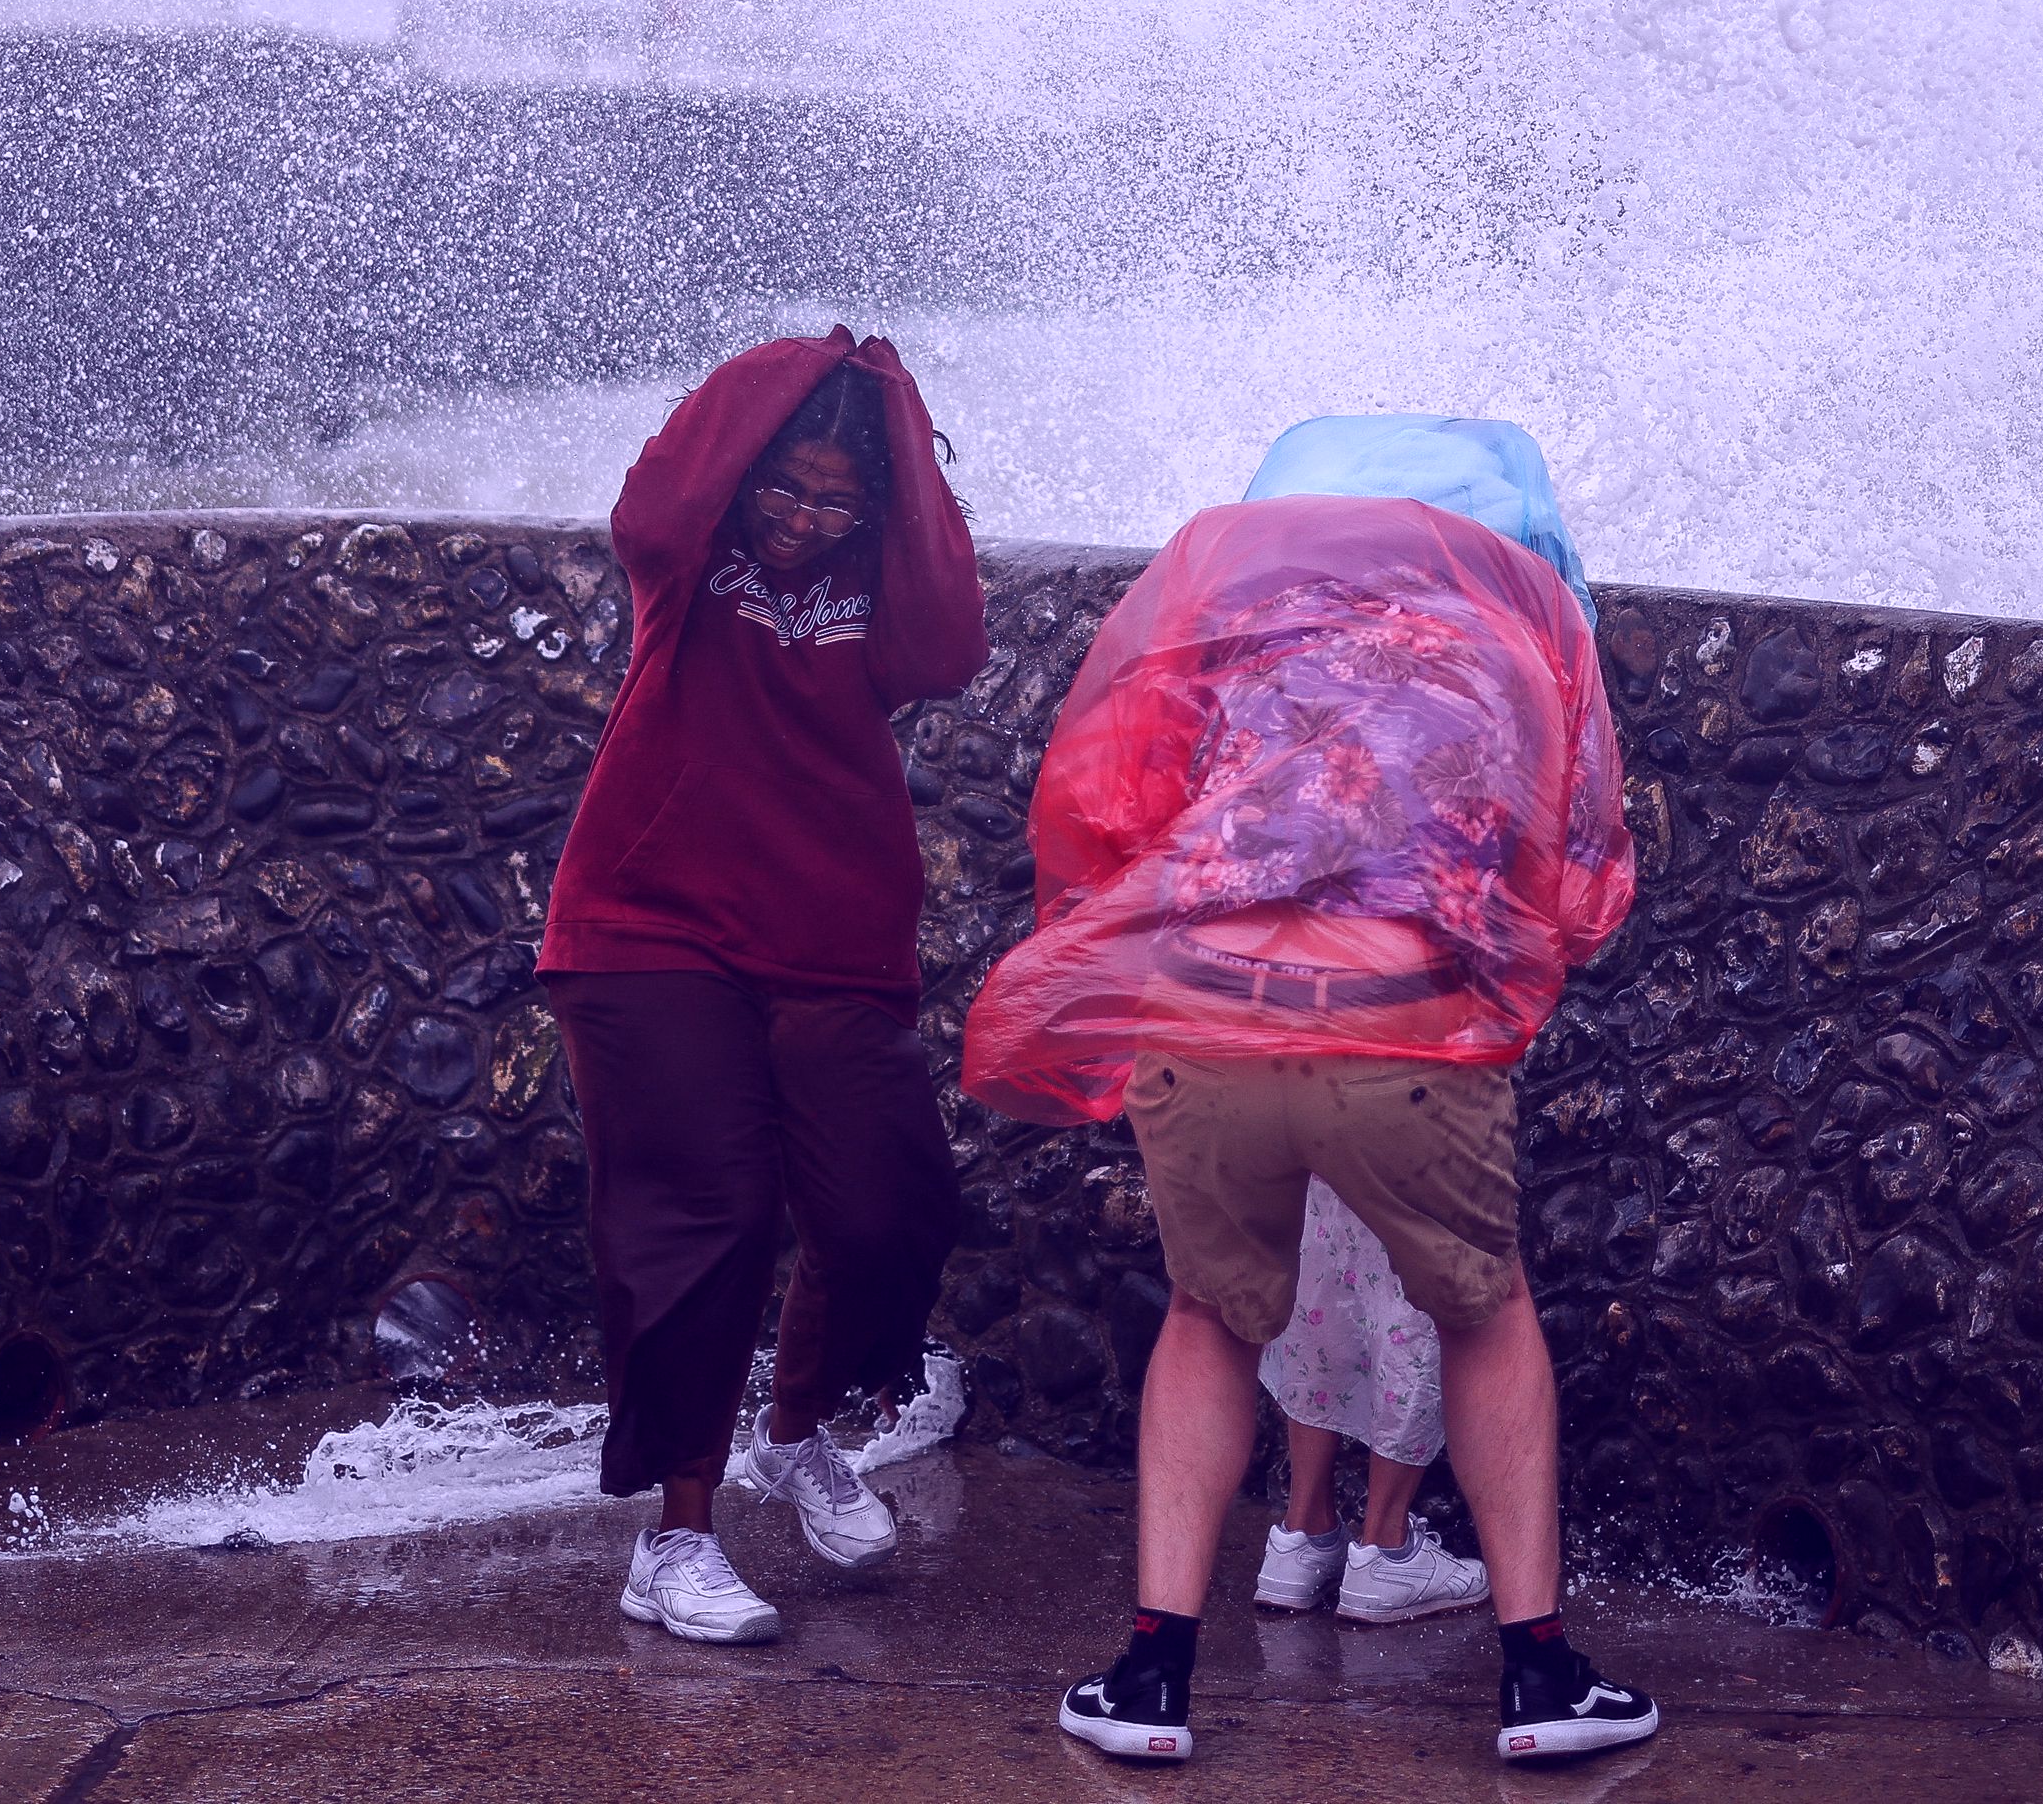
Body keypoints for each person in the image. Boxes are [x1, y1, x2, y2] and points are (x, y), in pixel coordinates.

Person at [960, 415, 1658, 1766]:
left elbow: (1106, 802)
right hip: (1402, 1033)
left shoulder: (1229, 620)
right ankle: (1540, 1681)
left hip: (1204, 1017)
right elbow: (1584, 872)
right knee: (1483, 1308)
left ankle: (1153, 1680)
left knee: (1214, 1316)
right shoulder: (1523, 634)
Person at [536, 328, 988, 1648]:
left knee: (888, 1208)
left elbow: (953, 642)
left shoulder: (884, 592)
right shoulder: (688, 563)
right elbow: (661, 490)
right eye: (784, 487)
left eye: (835, 497)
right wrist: (813, 364)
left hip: (834, 938)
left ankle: (795, 1435)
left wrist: (892, 405)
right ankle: (676, 1543)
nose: (800, 519)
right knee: (709, 1219)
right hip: (646, 926)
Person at [1249, 1178, 1488, 1625]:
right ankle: (1386, 1545)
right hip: (1412, 1122)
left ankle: (1302, 1535)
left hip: (1314, 1117)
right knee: (1416, 1264)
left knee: (1326, 1257)